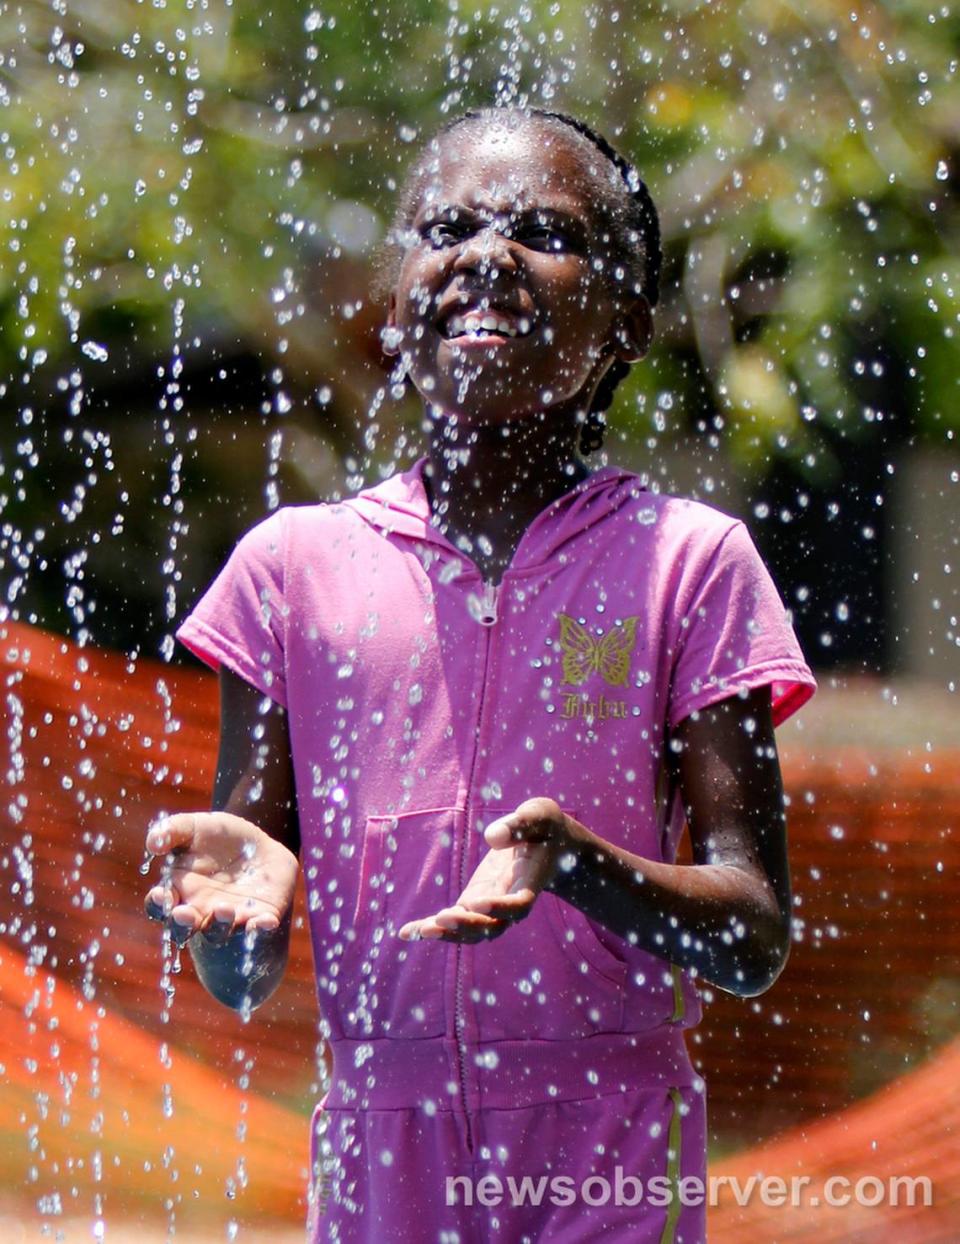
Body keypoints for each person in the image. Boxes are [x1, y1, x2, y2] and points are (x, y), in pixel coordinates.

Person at [143, 106, 816, 1244]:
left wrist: (581, 867)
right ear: (397, 299)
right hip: (377, 1134)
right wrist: (230, 926)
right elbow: (244, 970)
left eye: (545, 230)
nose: (486, 253)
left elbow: (752, 934)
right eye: (446, 224)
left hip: (610, 1131)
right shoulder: (291, 571)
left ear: (629, 321)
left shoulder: (688, 563)